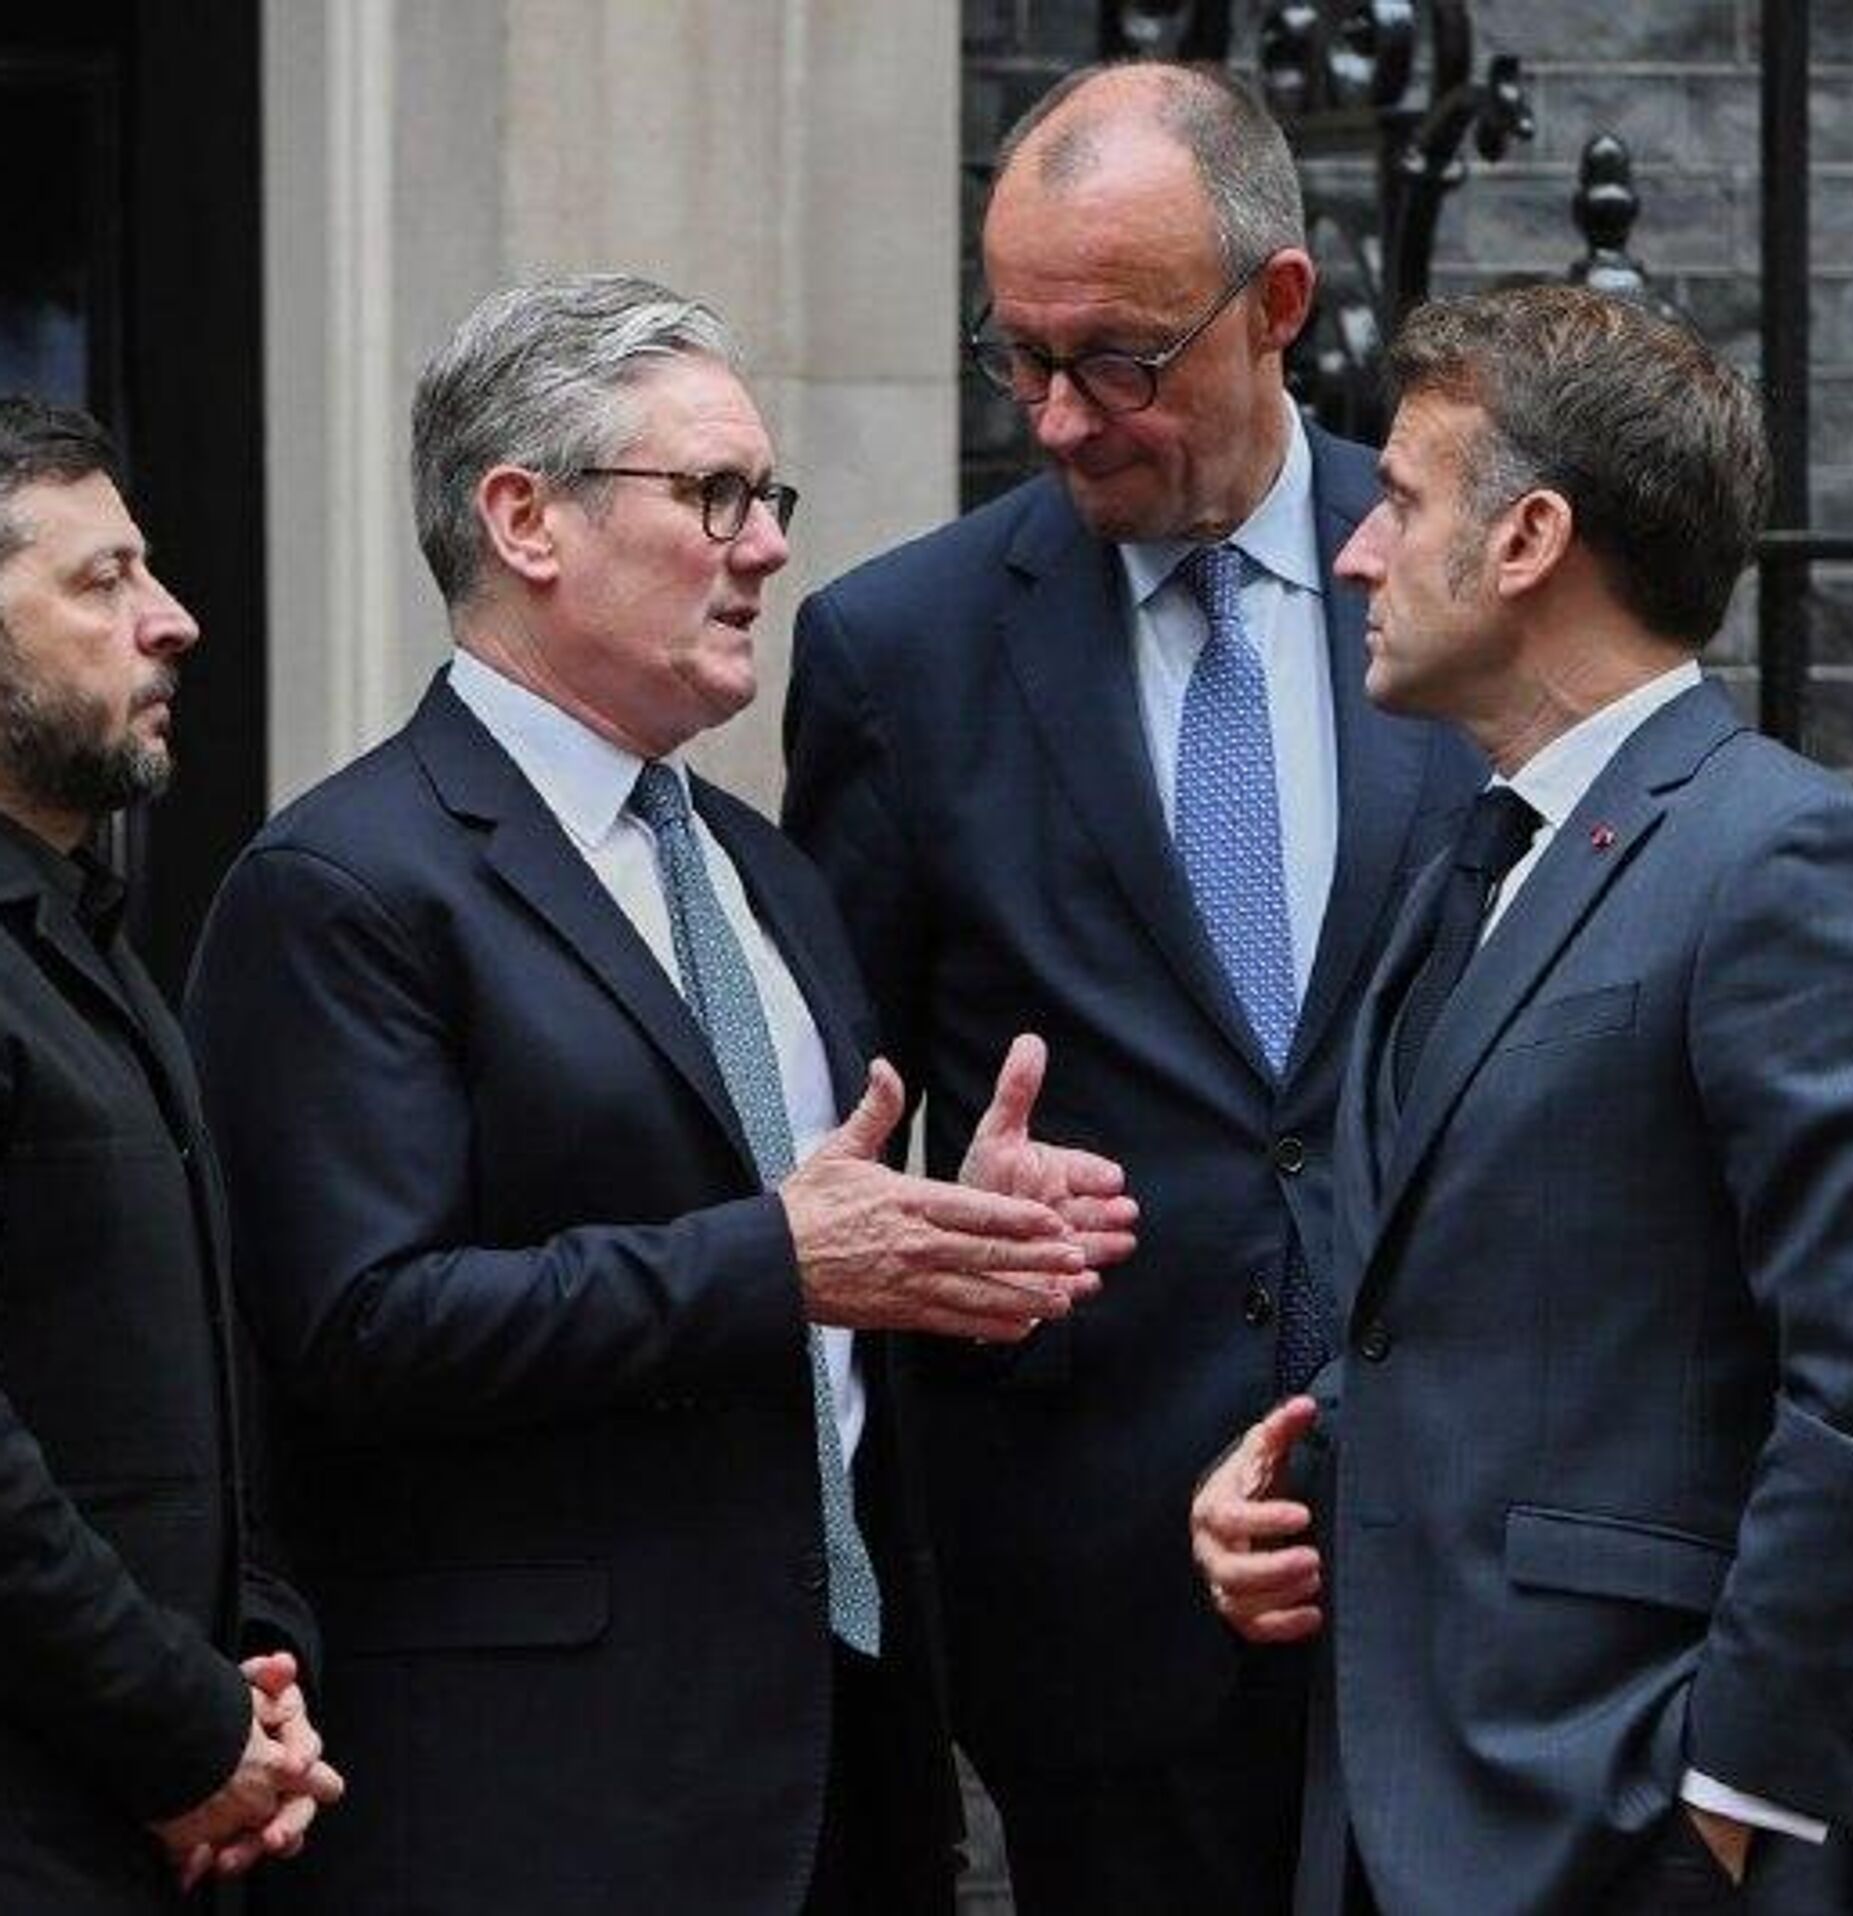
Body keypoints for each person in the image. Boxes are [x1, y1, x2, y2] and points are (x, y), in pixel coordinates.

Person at [184, 273, 1134, 1915]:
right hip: (543, 1804)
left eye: (768, 498)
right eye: (711, 495)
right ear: (524, 520)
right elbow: (356, 1330)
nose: (763, 548)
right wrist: (783, 1257)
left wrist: (947, 1248)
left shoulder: (767, 875)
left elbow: (811, 1287)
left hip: (843, 1772)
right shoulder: (346, 885)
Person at [782, 58, 1482, 1913]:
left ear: (1277, 305)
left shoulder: (1465, 579)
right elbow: (830, 1130)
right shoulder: (900, 651)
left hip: (1457, 1560)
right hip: (1096, 1593)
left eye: (1115, 360)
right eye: (1019, 356)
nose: (1057, 419)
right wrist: (944, 1213)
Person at [1191, 284, 1853, 1915]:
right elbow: (1476, 1307)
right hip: (1396, 1809)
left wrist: (1730, 1803)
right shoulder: (1472, 863)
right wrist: (1292, 1471)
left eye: (1400, 502)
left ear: (1526, 541)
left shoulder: (1779, 860)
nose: (1356, 557)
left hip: (1633, 1824)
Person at [0, 397, 341, 1910]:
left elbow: (193, 1377)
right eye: (102, 580)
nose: (173, 620)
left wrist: (261, 1668)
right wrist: (183, 1729)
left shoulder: (94, 943)